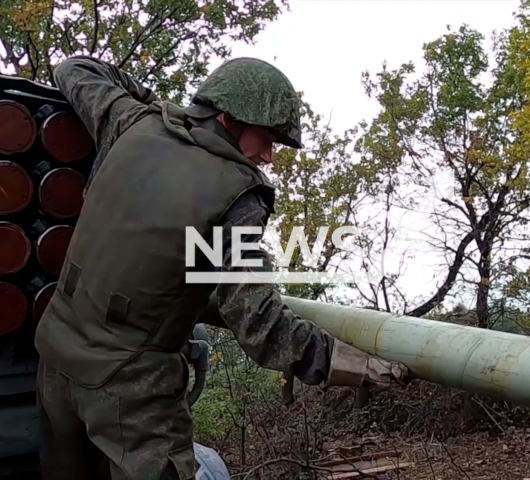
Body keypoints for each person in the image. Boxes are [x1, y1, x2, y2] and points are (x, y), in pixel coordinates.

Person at [34, 55, 410, 480]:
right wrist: (352, 363)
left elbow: (74, 69)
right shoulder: (238, 195)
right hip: (131, 391)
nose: (268, 155)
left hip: (55, 359)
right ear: (228, 118)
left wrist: (156, 107)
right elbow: (260, 324)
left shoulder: (132, 121)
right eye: (267, 138)